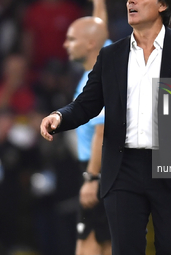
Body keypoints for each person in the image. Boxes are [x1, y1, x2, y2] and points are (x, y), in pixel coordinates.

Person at [40, 0, 171, 254]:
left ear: (163, 5)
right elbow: (86, 103)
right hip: (123, 168)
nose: (130, 1)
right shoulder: (111, 55)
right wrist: (59, 116)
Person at [62, 0, 112, 254]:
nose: (66, 44)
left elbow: (102, 132)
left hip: (98, 168)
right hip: (113, 168)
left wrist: (92, 178)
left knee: (88, 246)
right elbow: (99, 27)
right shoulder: (107, 59)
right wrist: (99, 3)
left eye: (72, 39)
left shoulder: (92, 85)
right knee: (111, 242)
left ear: (90, 44)